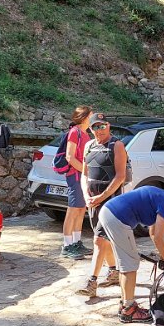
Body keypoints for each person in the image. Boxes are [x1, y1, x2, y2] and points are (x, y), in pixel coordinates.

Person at [97, 185, 164, 323]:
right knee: (130, 264)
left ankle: (125, 305)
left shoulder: (163, 198)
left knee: (126, 263)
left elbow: (153, 233)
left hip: (110, 212)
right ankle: (129, 309)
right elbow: (158, 237)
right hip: (117, 217)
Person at [75, 114, 128, 297]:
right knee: (103, 239)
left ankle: (91, 282)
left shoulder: (117, 145)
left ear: (108, 125)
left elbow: (120, 176)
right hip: (92, 201)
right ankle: (114, 271)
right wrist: (86, 195)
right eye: (95, 127)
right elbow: (84, 174)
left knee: (98, 240)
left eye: (102, 126)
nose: (99, 130)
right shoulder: (89, 146)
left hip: (110, 201)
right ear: (90, 129)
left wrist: (102, 196)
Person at [60, 105, 92, 260]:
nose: (92, 119)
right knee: (72, 210)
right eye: (90, 116)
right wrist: (85, 171)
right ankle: (66, 246)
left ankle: (76, 242)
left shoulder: (85, 134)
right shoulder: (75, 132)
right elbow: (69, 156)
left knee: (80, 209)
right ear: (84, 118)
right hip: (75, 176)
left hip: (82, 176)